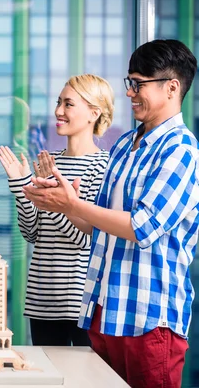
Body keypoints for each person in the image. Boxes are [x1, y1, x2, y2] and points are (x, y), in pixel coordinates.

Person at [22, 39, 198, 387]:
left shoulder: (181, 150)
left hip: (149, 320)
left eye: (139, 84)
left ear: (172, 87)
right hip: (105, 313)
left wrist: (72, 203)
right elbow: (95, 225)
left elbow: (142, 227)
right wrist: (58, 201)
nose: (131, 93)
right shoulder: (124, 146)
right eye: (129, 83)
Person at [0, 74, 114, 346]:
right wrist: (21, 187)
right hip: (41, 299)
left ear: (93, 113)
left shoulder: (103, 166)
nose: (58, 111)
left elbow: (84, 237)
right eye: (58, 102)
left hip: (82, 302)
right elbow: (31, 232)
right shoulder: (51, 162)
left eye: (69, 104)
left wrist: (52, 200)